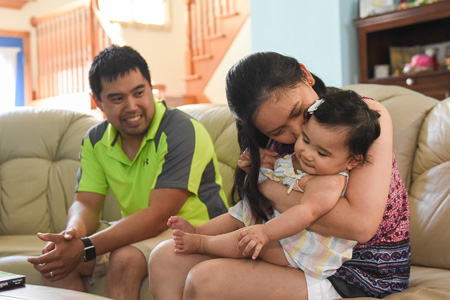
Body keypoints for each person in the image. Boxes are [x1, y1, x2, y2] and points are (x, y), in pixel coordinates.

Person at [149, 51, 410, 300]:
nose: (297, 133)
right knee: (165, 258)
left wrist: (264, 184)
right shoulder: (273, 143)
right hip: (292, 246)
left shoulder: (360, 119)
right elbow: (256, 212)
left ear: (306, 75)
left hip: (358, 268)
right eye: (277, 131)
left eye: (298, 112)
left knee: (206, 280)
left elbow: (360, 225)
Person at [27, 45, 229, 300]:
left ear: (150, 87)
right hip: (140, 234)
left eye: (139, 92)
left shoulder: (182, 131)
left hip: (197, 233)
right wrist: (73, 234)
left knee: (125, 259)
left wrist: (85, 247)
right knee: (54, 262)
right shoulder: (95, 140)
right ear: (98, 102)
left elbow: (159, 215)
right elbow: (86, 203)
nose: (132, 106)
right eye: (117, 98)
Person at [167, 90, 381, 285]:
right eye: (305, 140)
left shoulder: (329, 181)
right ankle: (199, 230)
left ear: (352, 161)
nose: (307, 153)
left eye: (322, 153)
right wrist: (261, 165)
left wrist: (266, 232)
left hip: (298, 249)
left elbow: (305, 212)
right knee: (241, 211)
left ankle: (203, 244)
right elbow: (278, 176)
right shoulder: (303, 161)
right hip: (280, 228)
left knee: (250, 240)